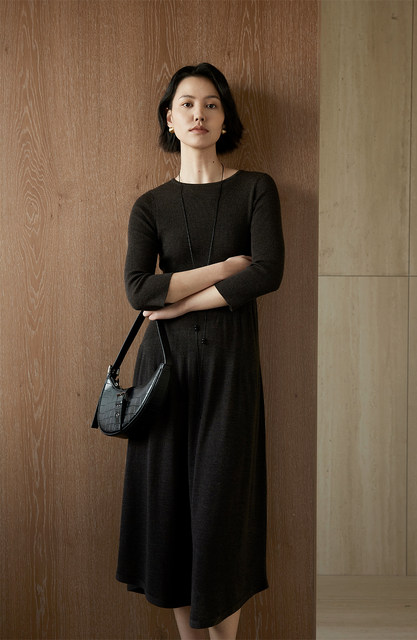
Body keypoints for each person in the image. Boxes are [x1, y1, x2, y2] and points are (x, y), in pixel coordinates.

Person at [116, 62, 284, 640]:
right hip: (164, 375)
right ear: (170, 119)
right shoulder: (150, 205)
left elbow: (266, 272)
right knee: (170, 514)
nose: (199, 114)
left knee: (221, 513)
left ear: (225, 118)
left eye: (211, 104)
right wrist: (222, 269)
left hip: (230, 371)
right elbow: (139, 290)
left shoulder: (256, 188)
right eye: (186, 104)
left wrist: (180, 302)